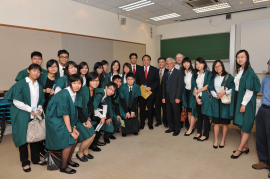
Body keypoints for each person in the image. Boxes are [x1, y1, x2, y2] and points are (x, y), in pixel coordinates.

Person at [4, 64, 46, 172]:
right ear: (28, 71)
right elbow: (16, 101)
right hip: (22, 113)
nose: (36, 73)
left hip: (35, 114)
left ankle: (36, 159)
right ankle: (25, 162)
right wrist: (29, 109)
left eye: (38, 71)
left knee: (35, 136)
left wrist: (40, 109)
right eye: (34, 70)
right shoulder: (21, 84)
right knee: (22, 138)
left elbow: (41, 100)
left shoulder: (39, 86)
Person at [45, 74, 82, 174]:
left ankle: (68, 160)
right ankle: (63, 166)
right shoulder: (64, 94)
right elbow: (66, 115)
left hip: (62, 116)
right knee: (69, 140)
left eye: (79, 83)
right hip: (55, 119)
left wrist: (73, 127)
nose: (77, 85)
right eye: (74, 83)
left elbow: (72, 113)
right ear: (70, 83)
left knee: (75, 138)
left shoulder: (75, 93)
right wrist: (70, 131)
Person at [230, 50, 260, 159]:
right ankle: (245, 147)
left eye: (242, 57)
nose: (240, 59)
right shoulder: (241, 70)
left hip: (246, 101)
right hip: (240, 98)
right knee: (242, 124)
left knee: (246, 125)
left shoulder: (249, 72)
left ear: (247, 58)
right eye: (238, 57)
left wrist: (243, 104)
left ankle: (239, 149)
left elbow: (250, 90)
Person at [209, 60, 234, 148]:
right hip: (216, 101)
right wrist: (216, 96)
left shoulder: (229, 77)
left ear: (222, 66)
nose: (217, 68)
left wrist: (224, 93)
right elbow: (211, 88)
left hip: (225, 102)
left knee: (224, 123)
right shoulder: (213, 78)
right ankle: (216, 140)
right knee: (216, 122)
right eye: (215, 67)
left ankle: (223, 139)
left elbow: (233, 88)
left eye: (219, 66)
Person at [37, 59, 59, 158]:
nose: (53, 68)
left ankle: (48, 147)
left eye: (55, 66)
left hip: (53, 106)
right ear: (47, 68)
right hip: (42, 105)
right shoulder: (42, 77)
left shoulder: (59, 79)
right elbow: (35, 89)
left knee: (50, 127)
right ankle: (40, 149)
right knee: (42, 126)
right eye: (51, 66)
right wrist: (45, 90)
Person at [252, 60, 270, 177]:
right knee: (261, 136)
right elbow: (262, 93)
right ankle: (264, 161)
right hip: (263, 109)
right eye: (269, 64)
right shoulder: (265, 79)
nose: (269, 66)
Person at [76, 73, 99, 162]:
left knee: (93, 134)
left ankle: (85, 150)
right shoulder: (83, 90)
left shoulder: (93, 90)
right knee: (89, 136)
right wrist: (84, 121)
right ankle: (80, 153)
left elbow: (90, 107)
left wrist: (88, 118)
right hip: (78, 118)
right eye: (93, 80)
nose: (95, 82)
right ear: (88, 81)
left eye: (97, 80)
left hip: (86, 117)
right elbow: (79, 108)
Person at [89, 82, 118, 150]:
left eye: (113, 91)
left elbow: (104, 106)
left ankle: (96, 141)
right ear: (106, 87)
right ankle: (92, 145)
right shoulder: (100, 94)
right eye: (110, 89)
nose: (111, 92)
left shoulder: (106, 94)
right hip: (89, 113)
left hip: (97, 112)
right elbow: (93, 109)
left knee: (99, 127)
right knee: (95, 128)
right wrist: (102, 116)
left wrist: (104, 117)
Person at [136, 55, 159, 130]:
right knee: (142, 109)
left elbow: (157, 81)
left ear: (150, 61)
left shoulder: (155, 69)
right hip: (142, 93)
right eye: (144, 60)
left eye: (147, 60)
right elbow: (136, 80)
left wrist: (151, 87)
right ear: (142, 61)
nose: (146, 61)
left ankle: (150, 123)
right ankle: (142, 123)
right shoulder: (138, 69)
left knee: (150, 109)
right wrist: (142, 87)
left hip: (151, 93)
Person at [162, 58, 184, 136]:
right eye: (167, 64)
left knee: (176, 114)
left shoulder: (179, 72)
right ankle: (171, 127)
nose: (169, 65)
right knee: (169, 114)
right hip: (167, 98)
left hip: (175, 98)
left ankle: (177, 129)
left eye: (170, 63)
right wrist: (163, 97)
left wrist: (178, 97)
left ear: (174, 64)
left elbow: (180, 86)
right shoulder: (165, 73)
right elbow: (164, 86)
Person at [192, 57, 213, 142]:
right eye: (196, 64)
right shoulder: (195, 74)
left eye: (200, 63)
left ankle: (205, 134)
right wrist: (197, 98)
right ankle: (199, 132)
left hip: (206, 98)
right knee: (199, 116)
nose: (198, 65)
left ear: (204, 64)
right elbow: (194, 87)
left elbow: (207, 86)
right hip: (198, 97)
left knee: (206, 116)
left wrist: (198, 91)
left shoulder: (208, 73)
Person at [119, 72, 141, 137]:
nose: (130, 81)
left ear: (134, 80)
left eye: (132, 79)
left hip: (133, 105)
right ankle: (124, 131)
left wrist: (133, 111)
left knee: (133, 117)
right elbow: (122, 100)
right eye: (128, 79)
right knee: (124, 118)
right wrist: (126, 112)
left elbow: (136, 99)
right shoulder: (122, 87)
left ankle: (134, 130)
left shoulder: (137, 87)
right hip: (124, 106)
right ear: (126, 79)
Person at [181, 57, 196, 136]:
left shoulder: (194, 72)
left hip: (192, 93)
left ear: (190, 63)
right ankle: (191, 127)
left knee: (192, 111)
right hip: (186, 92)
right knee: (189, 111)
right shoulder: (183, 72)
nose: (186, 64)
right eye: (184, 63)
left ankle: (190, 128)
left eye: (187, 62)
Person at [155, 57, 168, 127]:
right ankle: (158, 121)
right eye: (159, 62)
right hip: (157, 92)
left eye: (162, 62)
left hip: (165, 93)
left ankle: (165, 121)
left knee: (165, 108)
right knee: (157, 108)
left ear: (165, 63)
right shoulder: (155, 71)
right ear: (158, 63)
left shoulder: (168, 71)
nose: (161, 63)